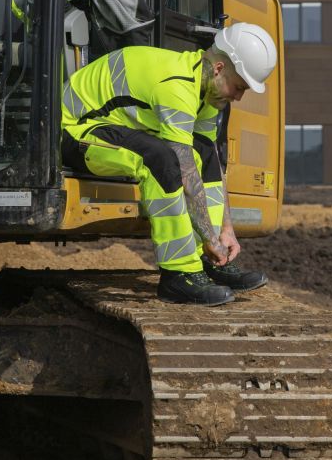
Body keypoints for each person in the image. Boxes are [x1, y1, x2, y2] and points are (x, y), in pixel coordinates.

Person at [61, 22, 278, 306]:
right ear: (219, 69)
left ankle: (211, 259)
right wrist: (210, 235)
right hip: (76, 130)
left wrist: (225, 231)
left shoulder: (208, 94)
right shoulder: (177, 87)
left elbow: (207, 159)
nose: (239, 96)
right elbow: (186, 174)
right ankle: (179, 274)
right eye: (239, 87)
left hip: (115, 126)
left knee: (206, 152)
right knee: (160, 159)